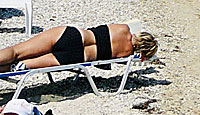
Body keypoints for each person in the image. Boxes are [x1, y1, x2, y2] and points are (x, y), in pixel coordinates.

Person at [0, 24, 157, 72]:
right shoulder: (126, 54)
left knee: (16, 52)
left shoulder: (123, 28)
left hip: (75, 36)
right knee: (20, 66)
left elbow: (99, 29)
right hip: (76, 57)